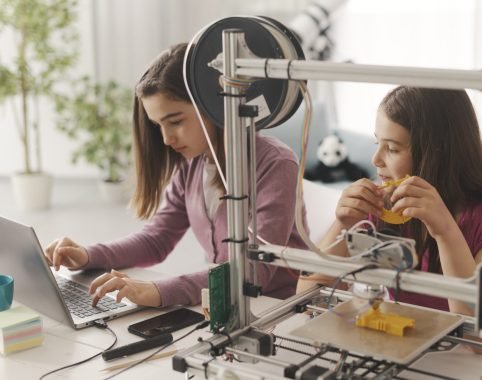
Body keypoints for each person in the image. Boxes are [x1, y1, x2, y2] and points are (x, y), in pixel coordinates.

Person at [44, 43, 307, 308]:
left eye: (176, 121)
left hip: (278, 311)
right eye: (158, 125)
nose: (167, 139)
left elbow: (253, 271)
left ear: (213, 105)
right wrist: (86, 255)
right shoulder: (192, 166)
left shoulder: (275, 164)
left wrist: (157, 291)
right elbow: (156, 239)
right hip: (224, 307)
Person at [297, 86, 482, 315]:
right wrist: (342, 224)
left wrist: (445, 231)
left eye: (393, 149)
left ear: (438, 154)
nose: (375, 160)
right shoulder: (382, 206)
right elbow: (305, 300)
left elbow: (478, 336)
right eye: (378, 144)